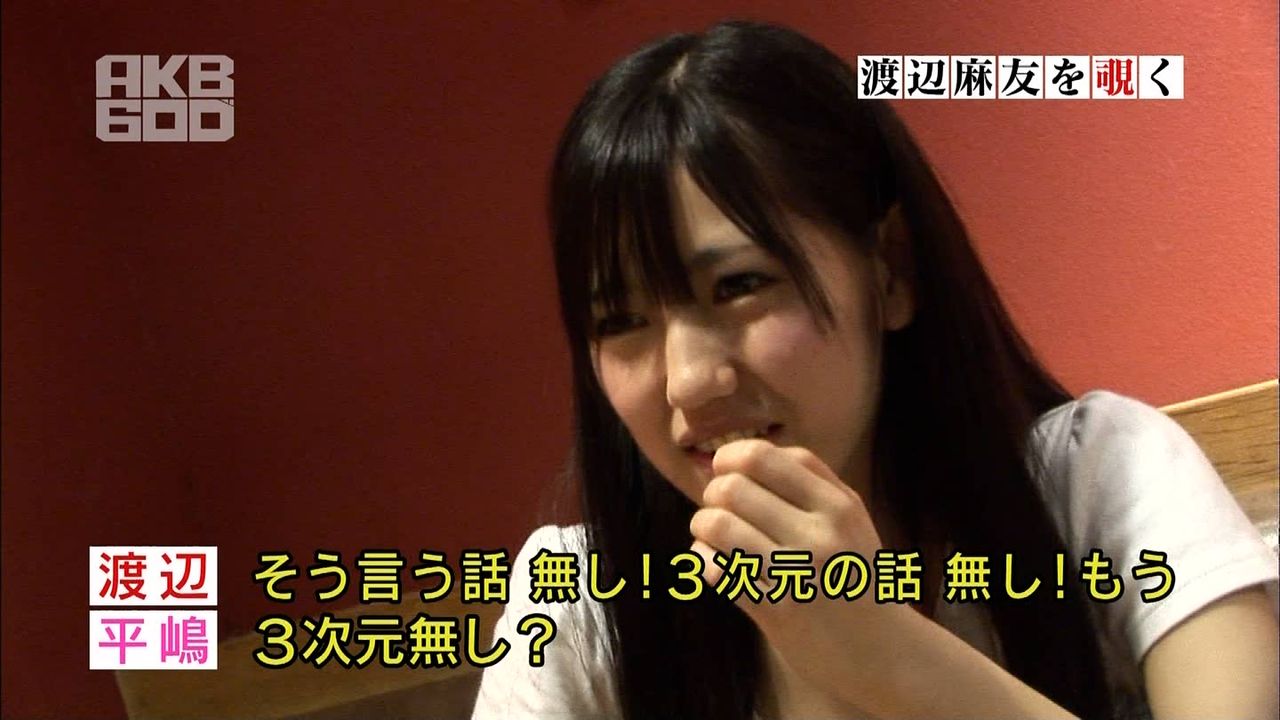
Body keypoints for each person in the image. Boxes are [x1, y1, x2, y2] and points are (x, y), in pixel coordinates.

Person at [470, 20, 1279, 720]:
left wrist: (888, 655)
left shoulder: (1100, 481)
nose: (686, 380)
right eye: (620, 322)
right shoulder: (583, 605)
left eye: (739, 285)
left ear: (890, 270)